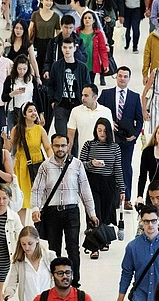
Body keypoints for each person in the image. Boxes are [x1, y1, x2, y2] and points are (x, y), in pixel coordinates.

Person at [31, 135, 98, 287]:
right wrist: (35, 208)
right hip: (52, 213)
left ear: (68, 146)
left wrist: (91, 213)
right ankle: (56, 281)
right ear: (52, 146)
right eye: (56, 146)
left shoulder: (77, 164)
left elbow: (85, 190)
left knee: (73, 248)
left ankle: (74, 282)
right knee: (54, 249)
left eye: (63, 145)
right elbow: (37, 190)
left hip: (72, 211)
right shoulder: (45, 166)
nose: (60, 149)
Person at [99, 67, 144, 212]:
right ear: (116, 77)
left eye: (125, 76)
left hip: (127, 140)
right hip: (110, 138)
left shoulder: (134, 97)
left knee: (125, 167)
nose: (122, 78)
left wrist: (134, 136)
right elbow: (98, 111)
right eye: (120, 76)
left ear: (129, 79)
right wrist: (108, 122)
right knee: (109, 167)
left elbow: (140, 119)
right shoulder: (106, 94)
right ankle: (112, 197)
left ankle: (127, 198)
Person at [5, 226, 56, 301]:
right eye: (23, 244)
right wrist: (8, 292)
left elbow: (60, 276)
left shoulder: (49, 257)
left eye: (30, 243)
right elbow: (12, 282)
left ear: (37, 240)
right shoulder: (19, 262)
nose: (26, 247)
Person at [79, 118, 124, 259]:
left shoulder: (115, 147)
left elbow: (118, 169)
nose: (102, 133)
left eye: (104, 130)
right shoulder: (89, 145)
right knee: (94, 213)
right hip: (91, 181)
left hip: (108, 183)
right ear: (95, 131)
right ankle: (94, 247)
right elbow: (80, 165)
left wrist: (122, 189)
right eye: (99, 130)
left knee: (105, 214)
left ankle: (103, 239)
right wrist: (92, 164)